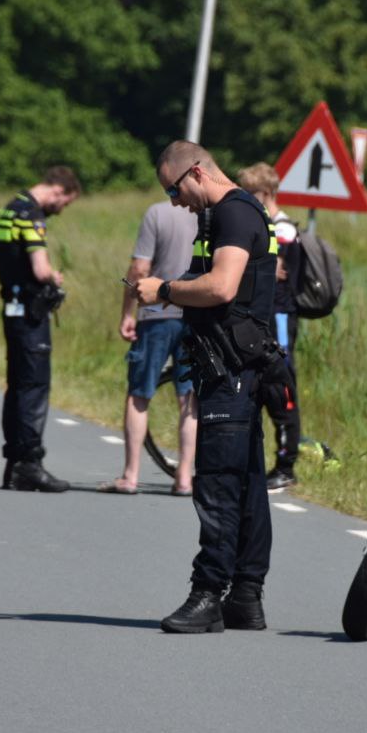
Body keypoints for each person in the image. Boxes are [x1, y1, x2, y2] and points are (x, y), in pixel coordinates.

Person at [135, 141, 281, 634]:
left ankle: (207, 595)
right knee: (246, 484)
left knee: (218, 483)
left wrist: (164, 290)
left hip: (233, 369)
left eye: (175, 190)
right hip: (231, 366)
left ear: (196, 173)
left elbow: (221, 287)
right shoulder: (223, 216)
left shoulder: (235, 215)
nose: (175, 201)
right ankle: (245, 595)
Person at [0, 166, 81, 493]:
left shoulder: (7, 209)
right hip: (30, 311)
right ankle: (29, 464)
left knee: (16, 384)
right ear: (58, 190)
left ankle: (13, 463)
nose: (61, 209)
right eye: (65, 202)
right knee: (34, 385)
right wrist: (54, 277)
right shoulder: (31, 215)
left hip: (10, 306)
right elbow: (41, 268)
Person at [99, 201, 197, 496]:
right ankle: (184, 477)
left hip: (155, 316)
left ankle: (130, 475)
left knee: (139, 394)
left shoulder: (157, 213)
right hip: (194, 315)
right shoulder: (209, 214)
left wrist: (127, 311)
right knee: (189, 398)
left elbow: (139, 268)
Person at [237, 163, 303, 491]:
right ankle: (261, 462)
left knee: (282, 386)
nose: (246, 200)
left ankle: (286, 464)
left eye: (251, 194)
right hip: (264, 315)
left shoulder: (284, 229)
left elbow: (274, 271)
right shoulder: (265, 225)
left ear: (267, 194)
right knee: (262, 386)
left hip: (279, 316)